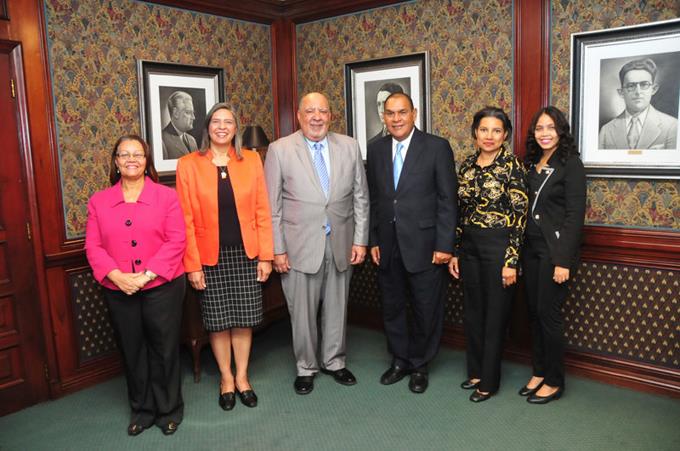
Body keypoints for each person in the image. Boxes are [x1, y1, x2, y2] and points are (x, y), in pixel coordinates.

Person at [264, 92, 369, 395]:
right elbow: (272, 207)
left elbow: (361, 198)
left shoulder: (349, 146)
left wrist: (360, 240)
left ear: (330, 116)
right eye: (310, 111)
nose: (316, 117)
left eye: (322, 111)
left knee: (337, 307)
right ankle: (306, 366)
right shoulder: (280, 150)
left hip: (341, 242)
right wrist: (277, 249)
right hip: (298, 247)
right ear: (299, 116)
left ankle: (334, 361)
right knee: (302, 313)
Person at [85, 135, 186, 436]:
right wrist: (116, 275)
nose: (132, 159)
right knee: (132, 350)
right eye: (125, 154)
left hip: (162, 285)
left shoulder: (166, 197)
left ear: (146, 160)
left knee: (164, 349)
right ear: (116, 161)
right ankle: (142, 410)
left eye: (138, 154)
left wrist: (146, 275)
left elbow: (176, 240)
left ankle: (169, 410)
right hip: (118, 289)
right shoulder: (99, 201)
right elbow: (93, 247)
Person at [175, 102, 273, 411]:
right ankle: (226, 378)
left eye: (228, 122)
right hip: (209, 257)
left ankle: (242, 377)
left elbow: (262, 210)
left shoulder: (252, 160)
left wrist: (266, 256)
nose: (221, 127)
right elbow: (185, 220)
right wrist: (192, 265)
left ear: (235, 128)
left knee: (243, 319)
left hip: (246, 254)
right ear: (207, 127)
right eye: (216, 121)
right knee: (218, 322)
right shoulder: (188, 164)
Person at [366, 92, 457, 394]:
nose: (396, 119)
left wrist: (445, 245)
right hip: (387, 245)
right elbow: (375, 199)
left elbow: (447, 200)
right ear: (384, 117)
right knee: (392, 306)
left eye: (402, 112)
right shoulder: (376, 150)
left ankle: (419, 364)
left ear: (414, 113)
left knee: (424, 308)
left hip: (426, 245)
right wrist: (374, 239)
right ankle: (399, 360)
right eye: (390, 113)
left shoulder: (436, 147)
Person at [448, 107, 528, 402]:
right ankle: (476, 371)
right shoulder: (467, 165)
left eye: (496, 130)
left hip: (499, 247)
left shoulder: (512, 166)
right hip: (469, 246)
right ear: (475, 132)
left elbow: (520, 217)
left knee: (495, 316)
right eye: (484, 130)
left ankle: (489, 381)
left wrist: (511, 261)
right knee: (474, 312)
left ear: (505, 135)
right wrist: (456, 251)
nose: (489, 136)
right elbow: (460, 212)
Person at [520, 106, 586, 404]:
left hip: (554, 251)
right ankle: (539, 371)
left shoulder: (570, 164)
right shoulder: (531, 162)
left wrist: (562, 261)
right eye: (539, 128)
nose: (544, 133)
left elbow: (574, 216)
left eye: (550, 127)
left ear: (561, 131)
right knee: (534, 313)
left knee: (549, 315)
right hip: (530, 249)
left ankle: (555, 380)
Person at [599, 58, 678, 150]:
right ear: (621, 92)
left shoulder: (672, 126)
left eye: (644, 84)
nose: (638, 92)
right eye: (631, 86)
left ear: (653, 89)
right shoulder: (606, 131)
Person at [163, 91, 198, 159]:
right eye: (188, 112)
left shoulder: (192, 140)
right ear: (176, 113)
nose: (193, 117)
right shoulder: (162, 140)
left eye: (193, 113)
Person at [367, 82, 404, 146]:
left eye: (385, 103)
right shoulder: (372, 144)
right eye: (379, 104)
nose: (381, 109)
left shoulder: (410, 139)